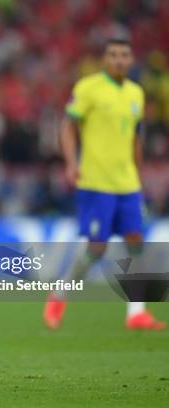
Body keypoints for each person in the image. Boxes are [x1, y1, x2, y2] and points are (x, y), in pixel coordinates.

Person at [44, 38, 165, 331]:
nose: (119, 60)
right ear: (105, 59)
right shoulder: (88, 88)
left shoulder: (136, 93)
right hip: (96, 182)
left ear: (131, 60)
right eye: (113, 55)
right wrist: (72, 163)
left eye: (124, 55)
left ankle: (136, 313)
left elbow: (135, 137)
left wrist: (138, 175)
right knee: (96, 248)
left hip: (128, 184)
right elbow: (68, 126)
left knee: (135, 241)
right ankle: (59, 295)